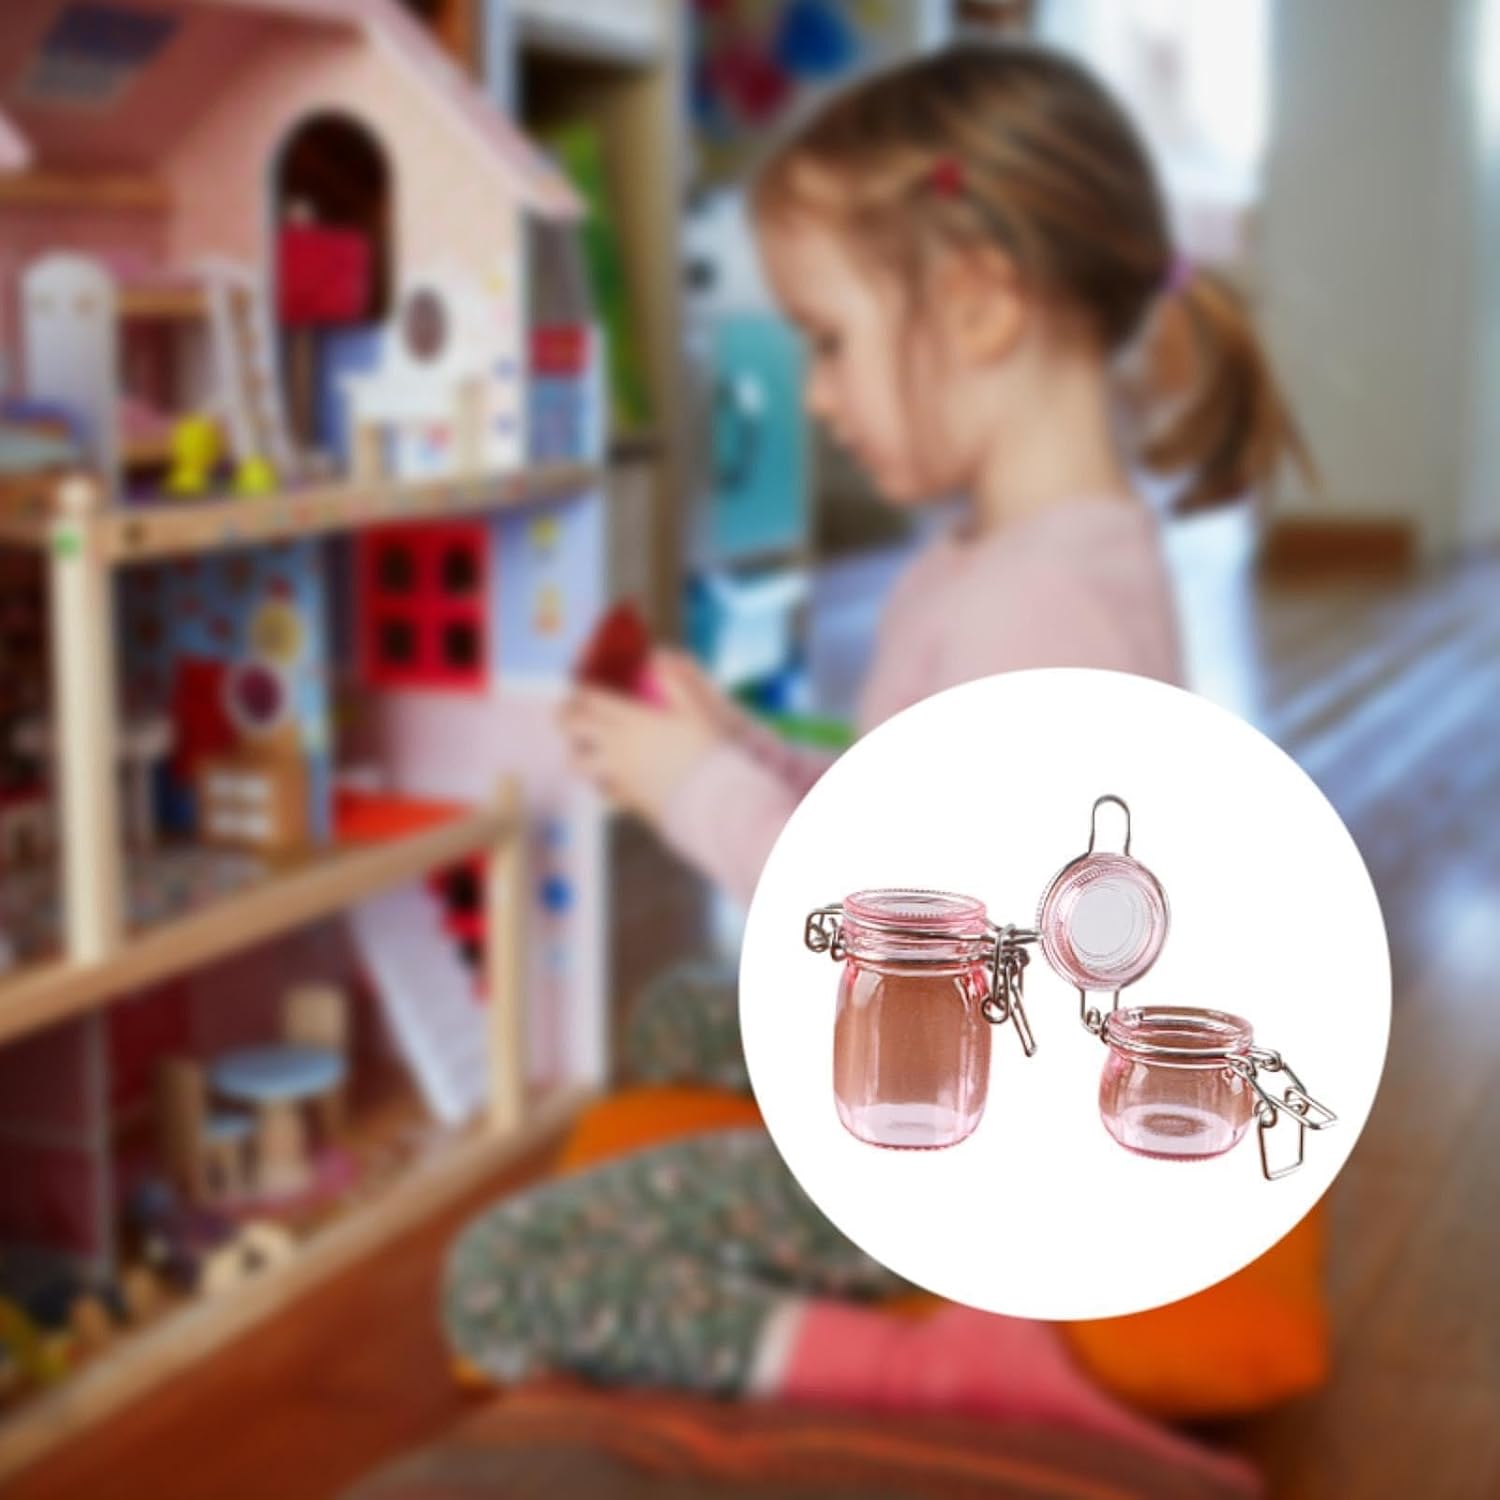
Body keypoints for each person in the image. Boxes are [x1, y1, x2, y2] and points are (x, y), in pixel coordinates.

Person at [448, 43, 1310, 1494]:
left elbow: (932, 941)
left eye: (830, 341)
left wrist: (697, 793)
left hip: (973, 1129)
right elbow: (900, 819)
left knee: (501, 1274)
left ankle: (933, 1365)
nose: (817, 396)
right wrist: (740, 744)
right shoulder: (1006, 560)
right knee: (678, 1017)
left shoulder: (1037, 611)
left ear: (976, 303)